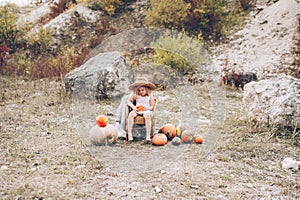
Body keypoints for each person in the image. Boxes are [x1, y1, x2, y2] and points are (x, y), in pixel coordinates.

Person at [127, 78, 156, 142]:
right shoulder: (136, 95)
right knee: (131, 114)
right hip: (137, 110)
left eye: (142, 90)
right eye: (139, 90)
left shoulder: (149, 96)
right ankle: (130, 135)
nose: (141, 92)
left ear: (146, 89)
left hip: (146, 110)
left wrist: (146, 108)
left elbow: (152, 106)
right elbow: (128, 102)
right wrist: (133, 107)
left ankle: (148, 135)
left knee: (147, 115)